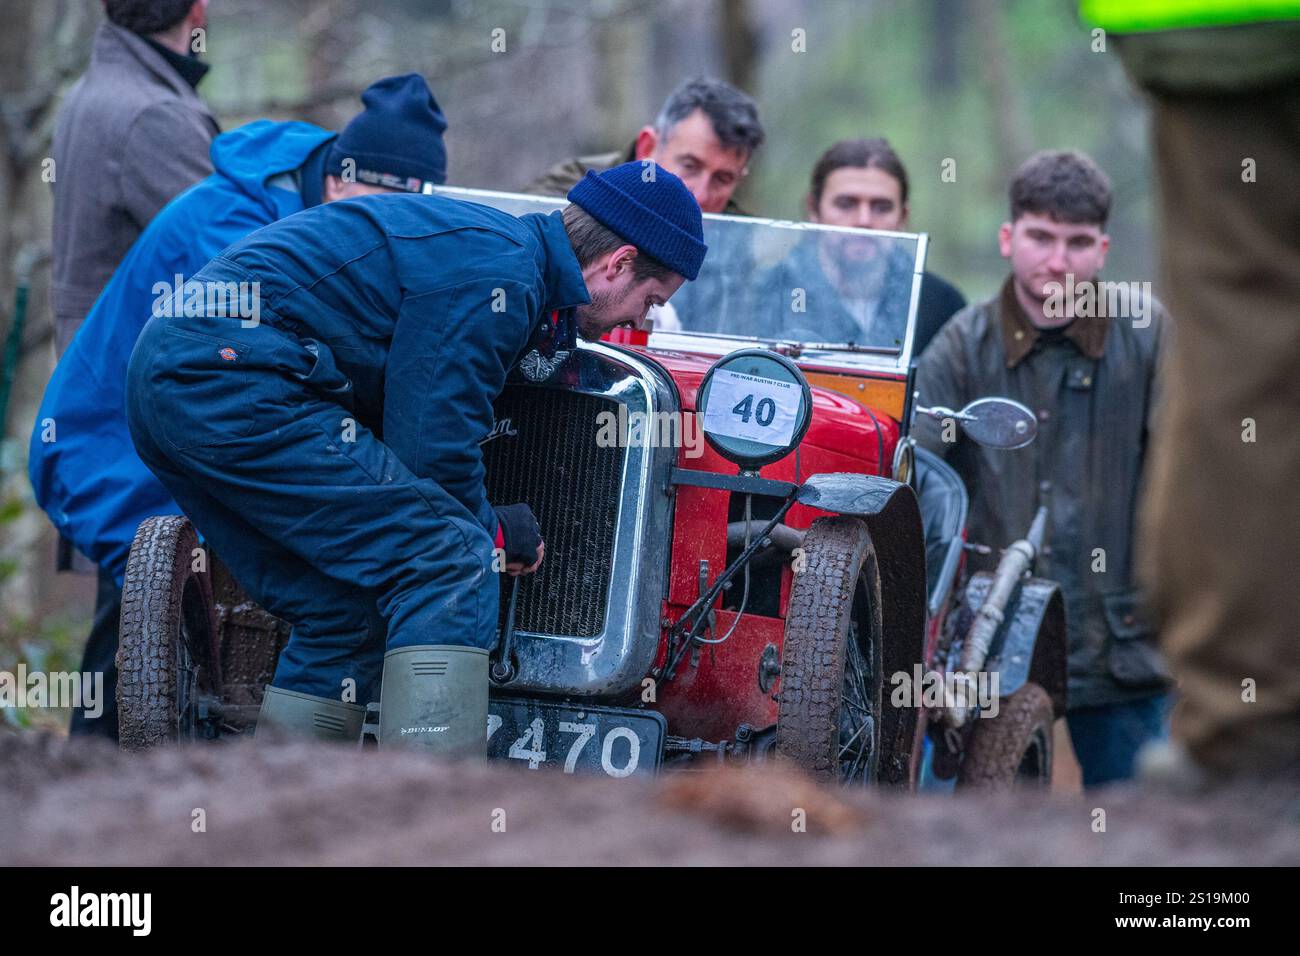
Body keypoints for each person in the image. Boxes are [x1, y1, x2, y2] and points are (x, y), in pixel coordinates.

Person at [123, 162, 706, 756]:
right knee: (451, 561)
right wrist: (498, 532)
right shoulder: (500, 272)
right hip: (229, 377)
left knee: (342, 613)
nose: (641, 320)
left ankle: (285, 810)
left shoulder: (492, 256)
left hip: (170, 380)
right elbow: (430, 447)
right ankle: (426, 814)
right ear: (617, 263)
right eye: (650, 299)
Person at [29, 74, 450, 740]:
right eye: (381, 215)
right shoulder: (232, 227)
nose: (390, 236)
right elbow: (250, 387)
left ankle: (151, 775)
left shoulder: (321, 208)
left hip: (174, 436)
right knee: (165, 619)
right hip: (107, 448)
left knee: (171, 622)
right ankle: (107, 786)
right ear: (338, 181)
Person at [1081, 0, 1300, 782]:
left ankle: (1253, 723)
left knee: (1246, 337)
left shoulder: (1138, 333)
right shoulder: (967, 343)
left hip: (1245, 35)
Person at [914, 150, 1173, 787]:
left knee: (1146, 842)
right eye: (1041, 237)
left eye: (1078, 242)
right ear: (1008, 238)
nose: (1058, 261)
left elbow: (1190, 483)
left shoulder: (1149, 335)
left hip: (1124, 645)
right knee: (959, 834)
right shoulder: (960, 342)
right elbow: (915, 476)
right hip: (986, 644)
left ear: (1104, 248)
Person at [48, 0, 218, 739]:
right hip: (137, 405)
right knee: (146, 591)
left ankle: (94, 769)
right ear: (197, 9)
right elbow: (228, 245)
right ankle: (106, 783)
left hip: (96, 394)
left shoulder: (99, 92)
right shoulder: (155, 116)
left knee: (127, 596)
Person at [806, 138, 966, 355]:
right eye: (846, 204)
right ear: (814, 210)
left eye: (882, 207)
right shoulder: (769, 293)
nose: (864, 220)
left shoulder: (941, 304)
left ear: (903, 217)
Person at [524, 76, 763, 215]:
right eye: (690, 166)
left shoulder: (739, 233)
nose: (700, 196)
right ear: (647, 147)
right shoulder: (569, 192)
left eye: (722, 179)